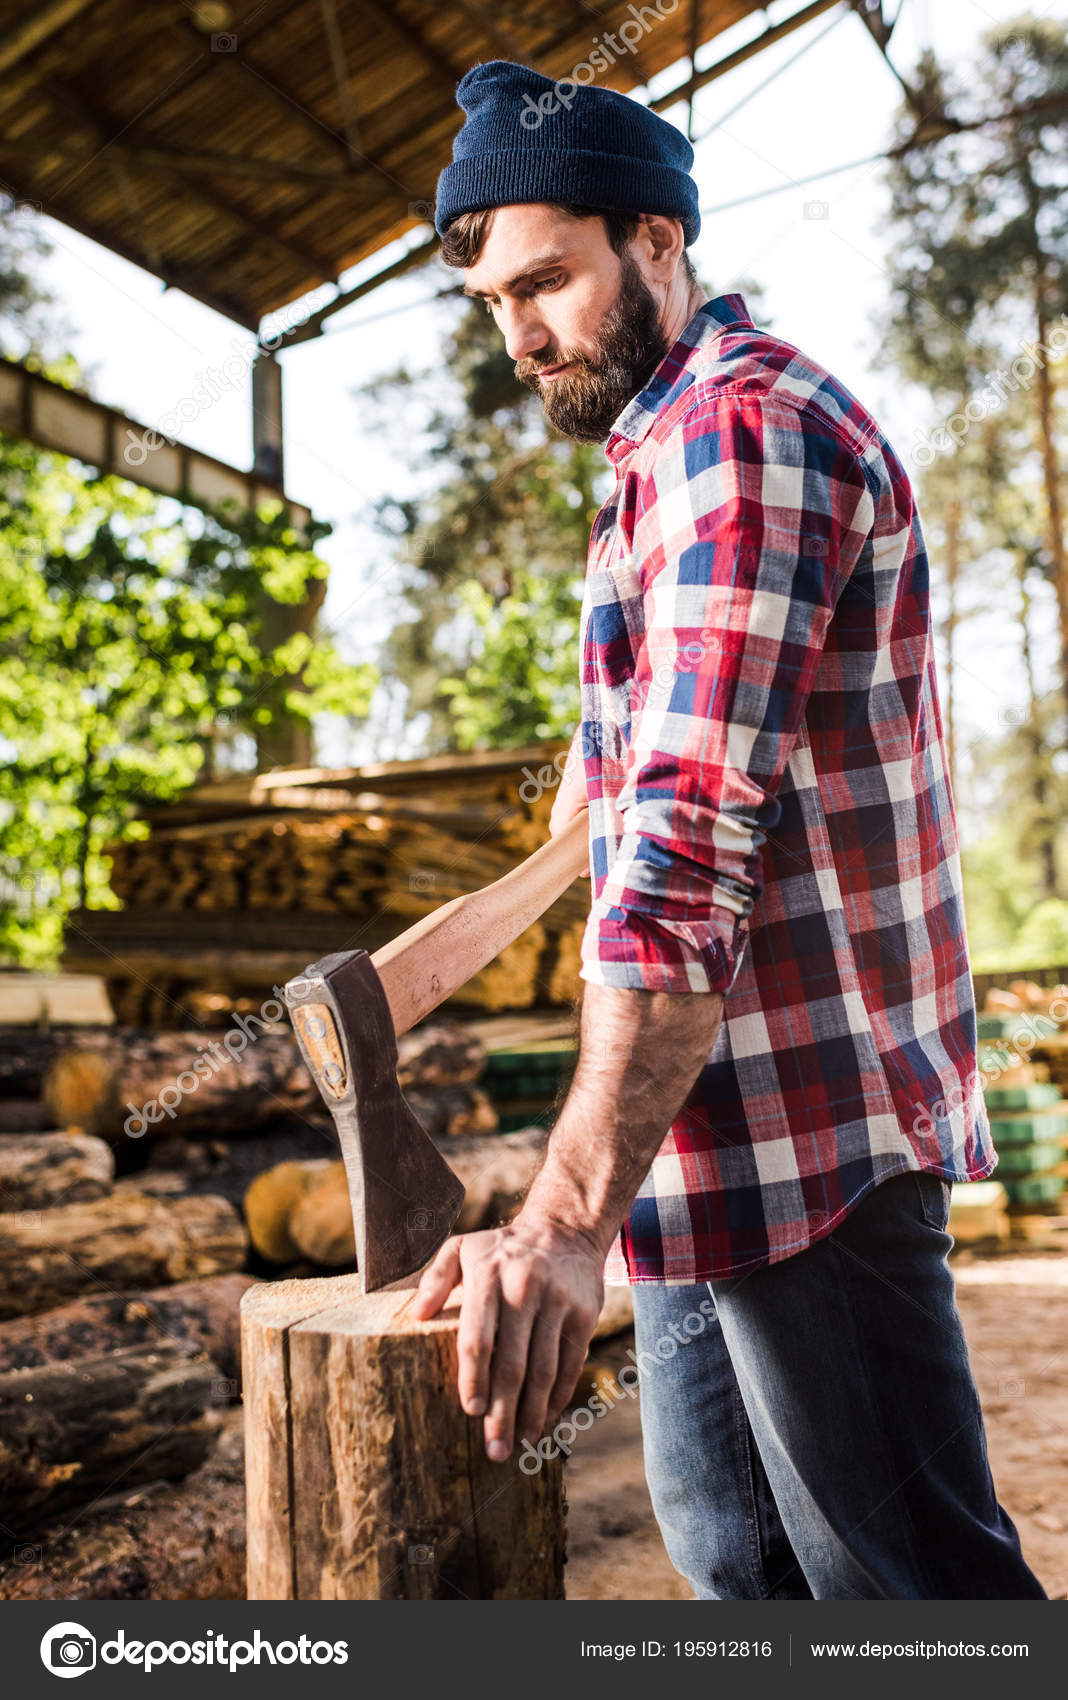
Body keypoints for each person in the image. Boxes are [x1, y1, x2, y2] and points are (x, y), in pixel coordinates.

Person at [412, 59, 1046, 1602]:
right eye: (493, 303)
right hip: (698, 1149)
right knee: (742, 1593)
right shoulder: (652, 455)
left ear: (657, 239)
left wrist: (559, 1217)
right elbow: (635, 790)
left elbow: (689, 848)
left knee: (911, 1607)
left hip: (807, 1136)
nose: (518, 337)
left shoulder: (740, 441)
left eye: (546, 281)